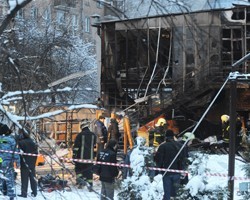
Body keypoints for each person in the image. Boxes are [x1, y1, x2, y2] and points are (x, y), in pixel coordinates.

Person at [155, 129, 185, 200]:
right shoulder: (180, 146)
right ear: (173, 136)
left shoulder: (163, 146)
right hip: (177, 171)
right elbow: (184, 158)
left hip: (166, 172)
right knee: (176, 192)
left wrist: (158, 170)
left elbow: (159, 159)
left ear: (166, 137)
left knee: (167, 192)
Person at [72, 119, 96, 190]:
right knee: (89, 171)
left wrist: (74, 155)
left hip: (80, 158)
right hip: (90, 157)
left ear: (81, 126)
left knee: (78, 170)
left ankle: (81, 182)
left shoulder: (80, 135)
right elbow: (94, 145)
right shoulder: (93, 135)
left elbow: (76, 147)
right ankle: (90, 184)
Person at [0, 124, 20, 200]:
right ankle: (11, 196)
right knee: (9, 181)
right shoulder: (11, 140)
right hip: (8, 163)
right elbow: (15, 152)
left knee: (0, 180)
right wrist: (18, 162)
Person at [17, 129, 38, 198]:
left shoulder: (21, 143)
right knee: (32, 178)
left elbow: (19, 153)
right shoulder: (32, 141)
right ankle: (34, 192)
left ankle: (24, 193)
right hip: (32, 163)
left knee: (24, 179)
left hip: (24, 163)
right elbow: (36, 153)